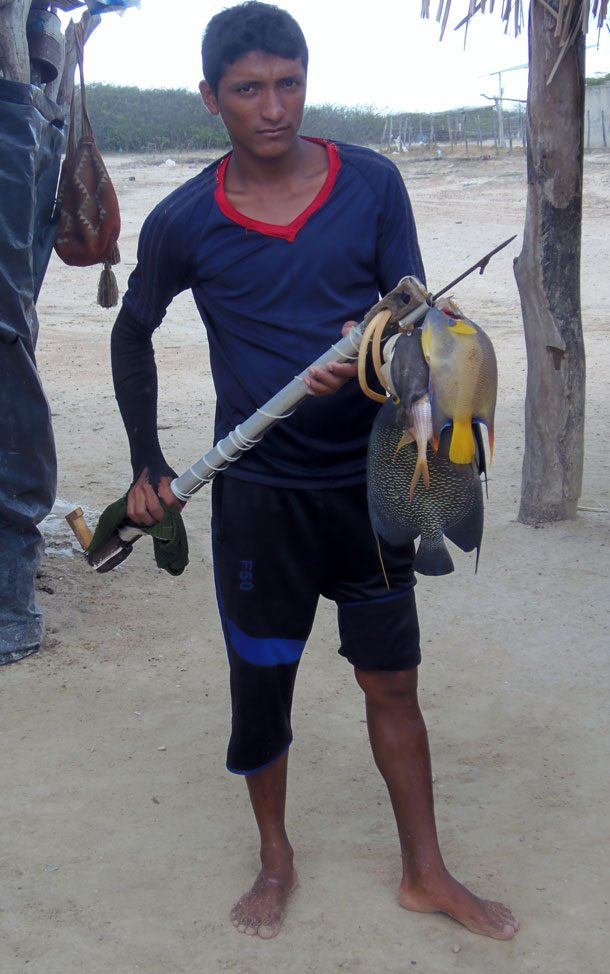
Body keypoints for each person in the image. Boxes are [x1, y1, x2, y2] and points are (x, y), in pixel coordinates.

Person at [111, 1, 517, 942]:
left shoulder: (370, 185)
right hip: (259, 497)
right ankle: (275, 859)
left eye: (288, 83)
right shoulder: (183, 220)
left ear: (306, 79)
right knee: (264, 685)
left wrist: (376, 336)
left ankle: (426, 871)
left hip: (370, 483)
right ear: (210, 98)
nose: (273, 107)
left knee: (394, 682)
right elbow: (133, 329)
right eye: (248, 90)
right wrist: (145, 461)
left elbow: (415, 313)